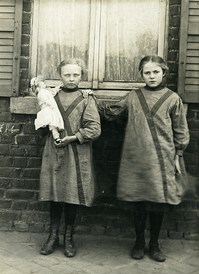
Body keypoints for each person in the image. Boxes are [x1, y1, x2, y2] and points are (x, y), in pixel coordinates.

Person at [98, 55, 190, 262]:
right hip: (136, 158)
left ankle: (154, 244)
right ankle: (139, 242)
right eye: (147, 73)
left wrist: (179, 153)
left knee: (157, 201)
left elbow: (181, 130)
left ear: (164, 73)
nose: (151, 76)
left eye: (155, 72)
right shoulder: (134, 97)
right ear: (142, 75)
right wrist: (89, 101)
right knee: (138, 200)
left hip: (162, 158)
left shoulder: (172, 99)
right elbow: (112, 112)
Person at [39, 58, 101, 257]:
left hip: (76, 152)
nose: (72, 79)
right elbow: (42, 123)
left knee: (72, 195)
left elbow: (94, 129)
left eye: (76, 75)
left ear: (82, 76)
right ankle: (52, 236)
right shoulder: (51, 96)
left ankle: (68, 237)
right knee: (55, 193)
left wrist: (73, 137)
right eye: (67, 74)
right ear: (60, 75)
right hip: (55, 151)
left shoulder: (87, 99)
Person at [31, 76, 64, 144]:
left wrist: (59, 87)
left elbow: (53, 92)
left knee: (53, 124)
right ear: (38, 85)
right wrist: (50, 104)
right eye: (42, 82)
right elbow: (45, 100)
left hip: (51, 109)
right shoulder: (41, 92)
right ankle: (56, 138)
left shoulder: (46, 91)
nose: (44, 83)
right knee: (52, 124)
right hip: (48, 109)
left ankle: (56, 137)